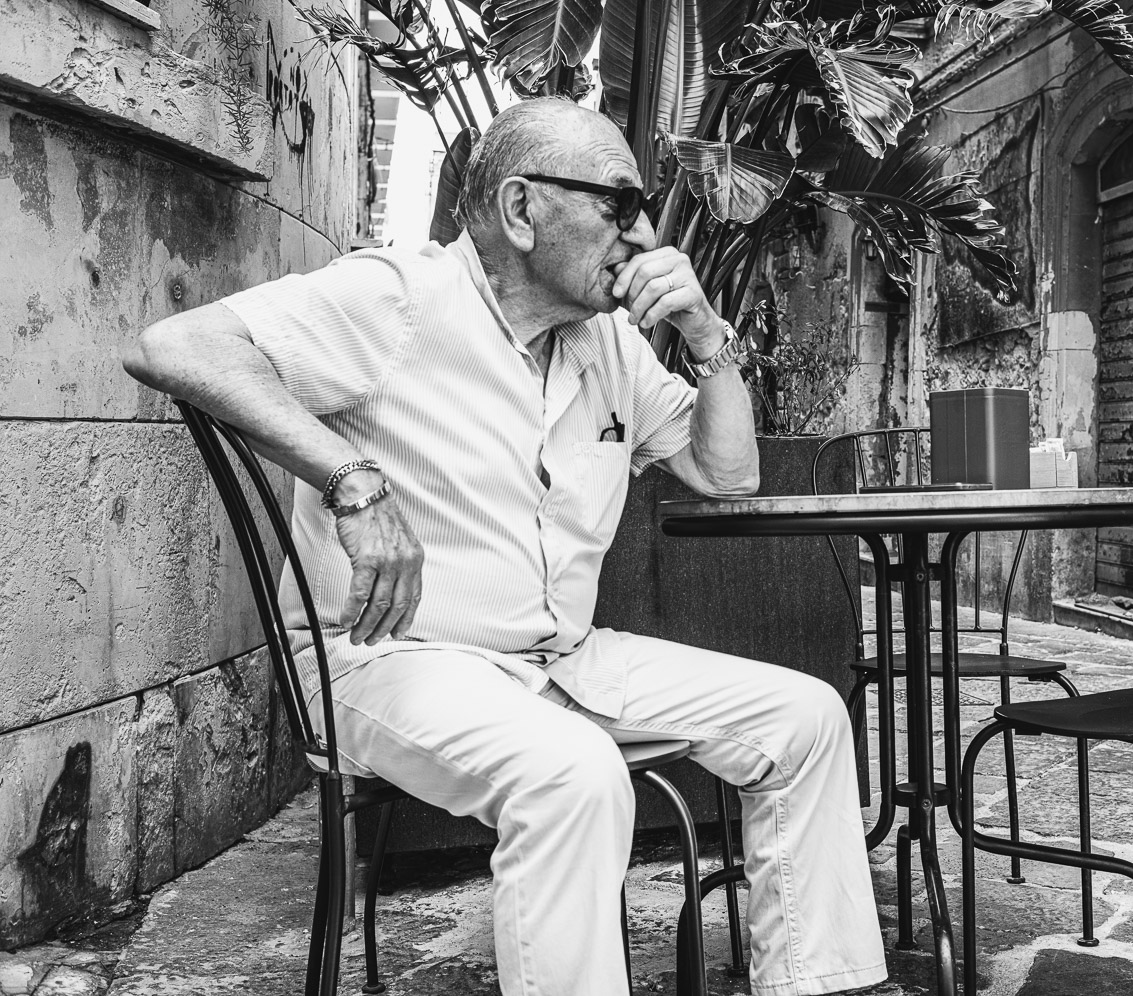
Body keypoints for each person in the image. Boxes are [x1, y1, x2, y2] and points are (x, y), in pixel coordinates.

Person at [121, 97, 886, 996]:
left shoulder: (609, 343)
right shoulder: (399, 296)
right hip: (388, 660)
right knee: (573, 775)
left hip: (562, 659)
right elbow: (176, 345)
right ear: (522, 209)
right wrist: (352, 479)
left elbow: (729, 475)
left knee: (806, 718)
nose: (643, 233)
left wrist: (705, 335)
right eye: (621, 203)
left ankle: (814, 982)